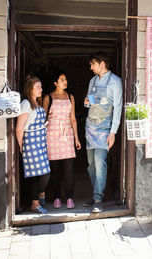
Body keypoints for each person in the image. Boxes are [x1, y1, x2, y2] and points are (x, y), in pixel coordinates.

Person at [83, 52, 122, 213]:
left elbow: (118, 108)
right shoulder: (92, 81)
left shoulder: (115, 82)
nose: (91, 67)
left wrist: (113, 132)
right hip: (90, 128)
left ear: (102, 64)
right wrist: (87, 103)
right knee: (91, 165)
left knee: (100, 162)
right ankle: (97, 192)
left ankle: (98, 198)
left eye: (93, 64)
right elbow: (90, 101)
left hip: (105, 129)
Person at [43, 71, 81, 209]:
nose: (65, 81)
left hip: (67, 135)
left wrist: (76, 138)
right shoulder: (48, 97)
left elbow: (73, 119)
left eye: (65, 79)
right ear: (55, 83)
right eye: (62, 79)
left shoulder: (70, 97)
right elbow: (44, 118)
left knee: (69, 169)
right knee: (55, 169)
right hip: (52, 136)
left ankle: (70, 197)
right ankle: (57, 197)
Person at [16, 76, 50, 214]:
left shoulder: (37, 103)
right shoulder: (25, 104)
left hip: (40, 143)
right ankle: (34, 204)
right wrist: (20, 146)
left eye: (41, 87)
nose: (41, 89)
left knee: (45, 173)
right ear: (30, 89)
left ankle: (41, 194)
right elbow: (19, 128)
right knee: (34, 175)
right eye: (38, 87)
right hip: (30, 143)